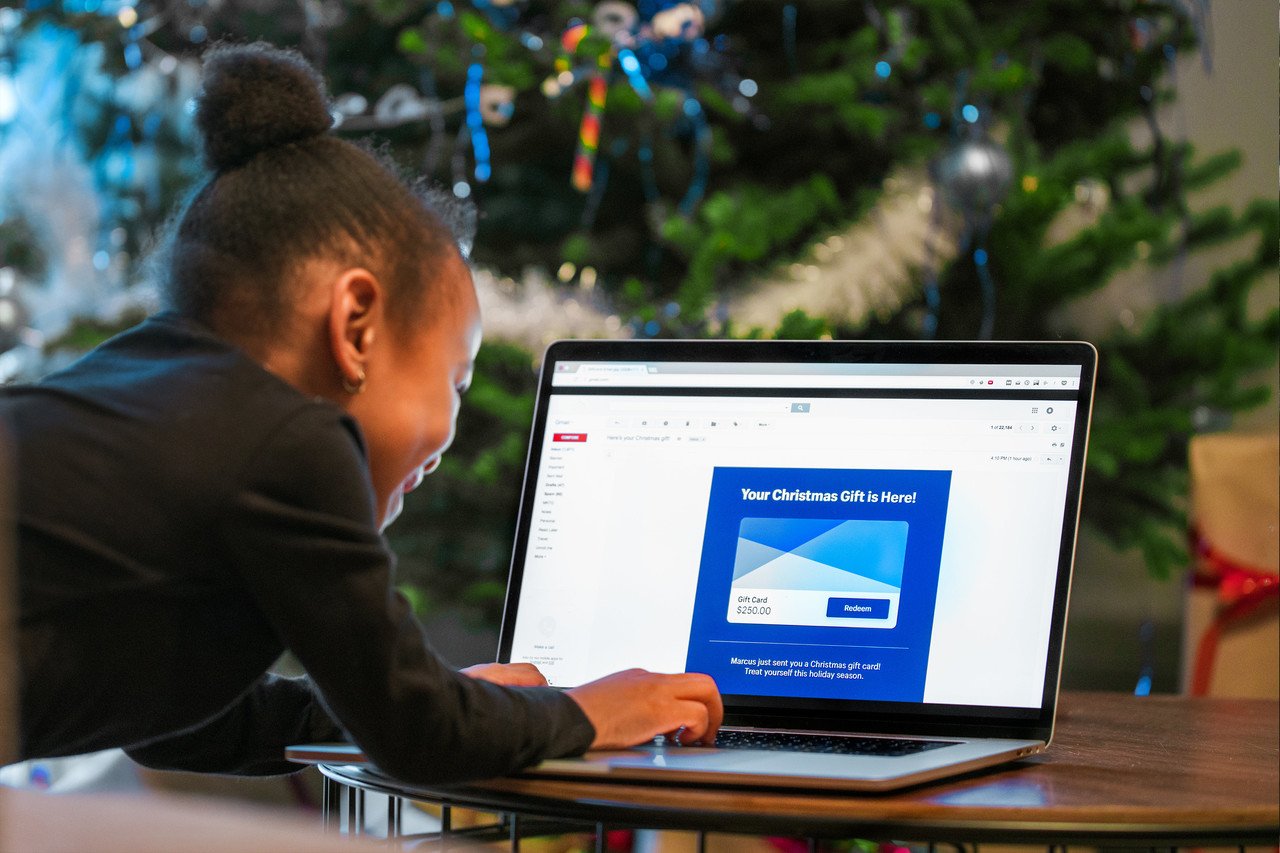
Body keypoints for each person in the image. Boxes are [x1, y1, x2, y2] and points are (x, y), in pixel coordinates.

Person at [0, 42, 721, 785]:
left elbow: (175, 724)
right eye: (455, 380)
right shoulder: (290, 442)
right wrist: (590, 712)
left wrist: (454, 702)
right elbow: (423, 733)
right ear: (354, 326)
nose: (445, 442)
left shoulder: (142, 388)